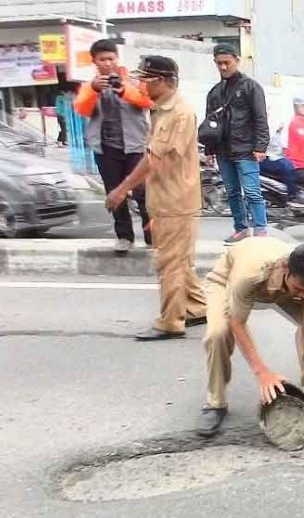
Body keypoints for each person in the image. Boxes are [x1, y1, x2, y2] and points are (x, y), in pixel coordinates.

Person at [196, 238, 304, 436]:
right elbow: (237, 323)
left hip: (280, 290)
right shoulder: (250, 273)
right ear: (286, 269)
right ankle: (216, 403)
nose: (302, 296)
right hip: (228, 282)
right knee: (218, 333)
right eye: (299, 289)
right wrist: (263, 374)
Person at [105, 56, 208, 342]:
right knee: (180, 260)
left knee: (170, 263)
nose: (140, 85)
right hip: (168, 198)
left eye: (145, 79)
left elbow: (153, 159)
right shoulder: (162, 109)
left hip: (175, 201)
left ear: (162, 80)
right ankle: (197, 307)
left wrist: (122, 188)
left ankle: (170, 322)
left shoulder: (178, 112)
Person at [74, 39, 152, 254]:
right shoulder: (89, 85)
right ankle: (124, 236)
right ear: (95, 62)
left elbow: (146, 102)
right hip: (106, 148)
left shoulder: (133, 81)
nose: (108, 63)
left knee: (142, 192)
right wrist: (93, 89)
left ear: (117, 59)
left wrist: (123, 90)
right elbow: (82, 109)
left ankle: (151, 236)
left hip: (135, 145)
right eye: (102, 59)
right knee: (114, 194)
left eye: (111, 58)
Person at [203, 43, 270, 244]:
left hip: (247, 150)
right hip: (224, 150)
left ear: (237, 61)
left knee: (252, 191)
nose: (223, 67)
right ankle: (240, 228)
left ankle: (260, 229)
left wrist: (261, 146)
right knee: (232, 192)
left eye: (227, 62)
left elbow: (261, 118)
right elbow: (210, 124)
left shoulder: (251, 87)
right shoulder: (215, 92)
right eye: (219, 63)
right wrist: (209, 150)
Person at [259, 123, 302, 205]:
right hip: (263, 157)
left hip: (273, 156)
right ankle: (293, 196)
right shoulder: (264, 127)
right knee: (287, 166)